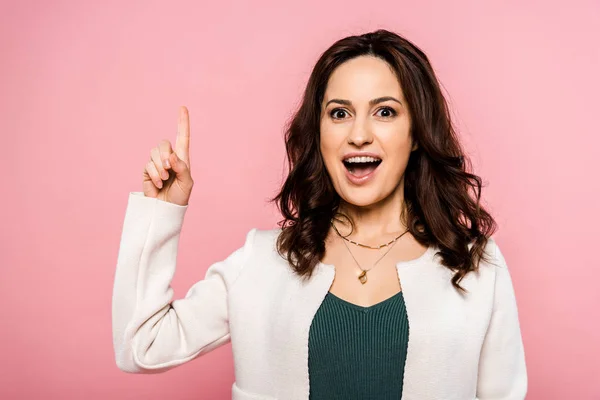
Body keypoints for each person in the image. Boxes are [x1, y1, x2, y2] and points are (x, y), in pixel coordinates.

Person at [112, 29, 527, 400]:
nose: (358, 134)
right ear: (320, 132)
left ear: (416, 133)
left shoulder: (477, 266)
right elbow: (141, 346)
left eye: (384, 111)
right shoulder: (262, 262)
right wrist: (162, 210)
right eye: (339, 113)